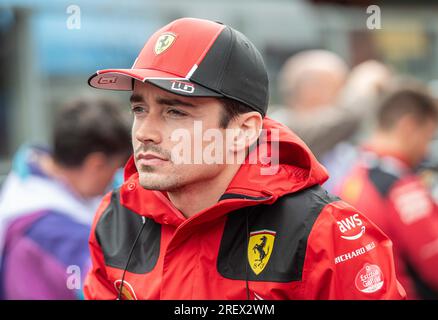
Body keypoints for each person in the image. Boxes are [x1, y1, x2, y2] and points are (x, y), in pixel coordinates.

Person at [83, 17, 405, 300]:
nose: (144, 132)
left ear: (243, 131)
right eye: (139, 109)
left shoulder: (325, 233)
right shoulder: (116, 218)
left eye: (175, 112)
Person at [0, 97, 131, 299]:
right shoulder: (58, 235)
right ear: (95, 164)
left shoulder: (32, 168)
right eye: (114, 169)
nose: (112, 181)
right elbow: (109, 288)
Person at [336, 83, 438, 299]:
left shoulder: (350, 174)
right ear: (408, 127)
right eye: (428, 137)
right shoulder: (401, 188)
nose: (427, 149)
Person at [271, 52, 392, 191]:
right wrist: (362, 89)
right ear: (311, 91)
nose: (342, 96)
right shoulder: (279, 127)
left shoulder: (338, 141)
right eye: (340, 88)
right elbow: (343, 119)